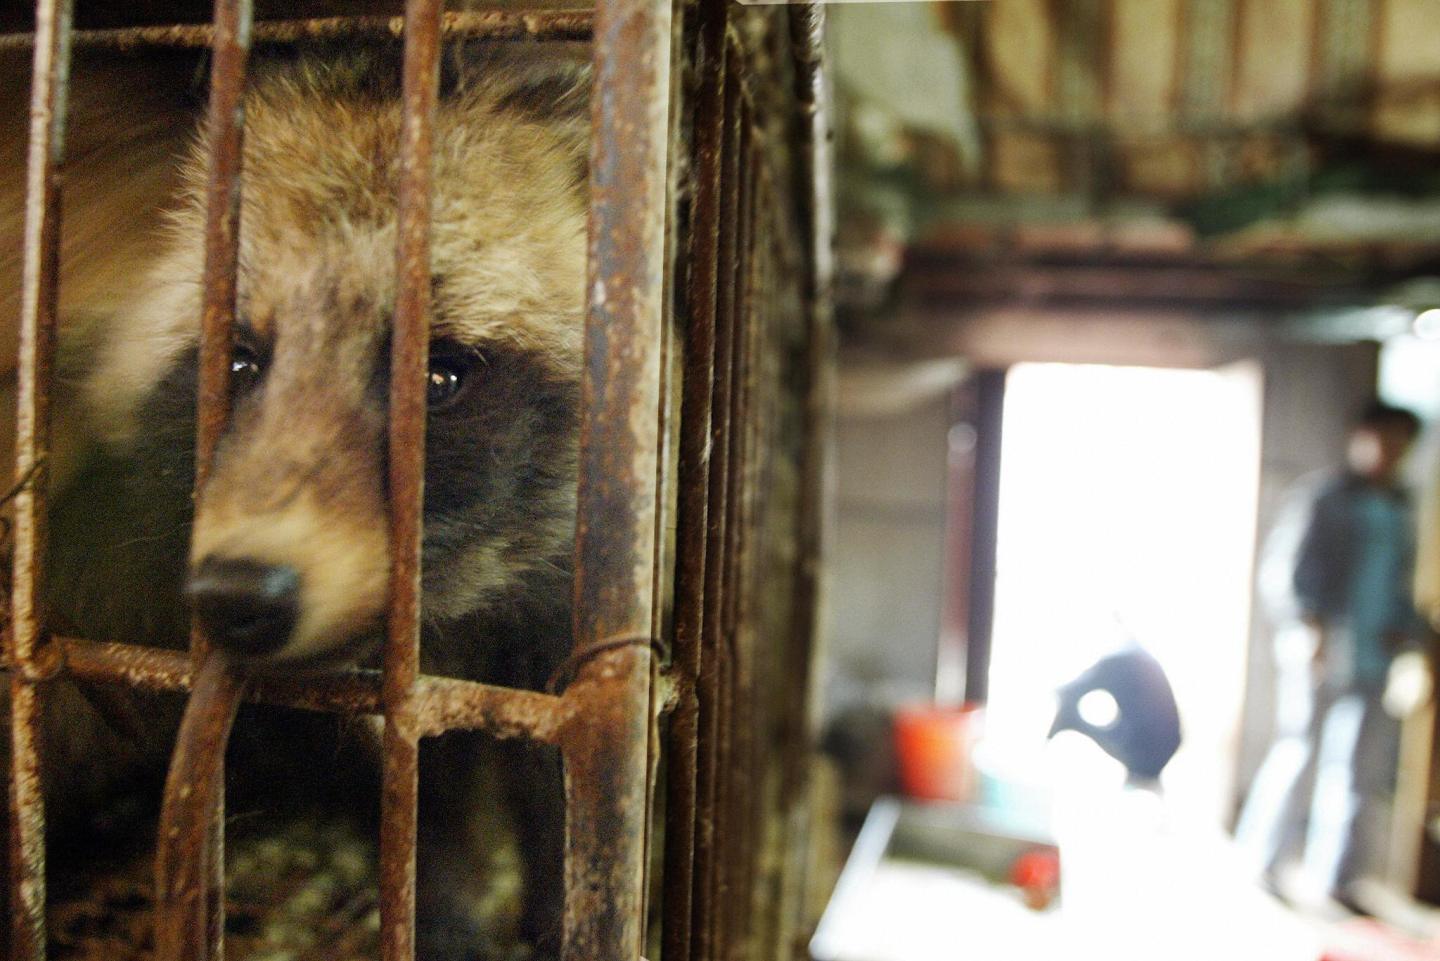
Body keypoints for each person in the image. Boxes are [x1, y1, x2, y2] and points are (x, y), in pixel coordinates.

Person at [1234, 401, 1428, 912]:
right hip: (1320, 650)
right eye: (1381, 439)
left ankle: (1338, 876)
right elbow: (1285, 575)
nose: (1388, 452)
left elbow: (1399, 588)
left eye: (1399, 442)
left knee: (1358, 769)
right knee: (1298, 750)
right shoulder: (1326, 497)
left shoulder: (1401, 505)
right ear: (1360, 438)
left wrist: (1416, 637)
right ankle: (1262, 861)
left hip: (1372, 655)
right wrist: (1310, 627)